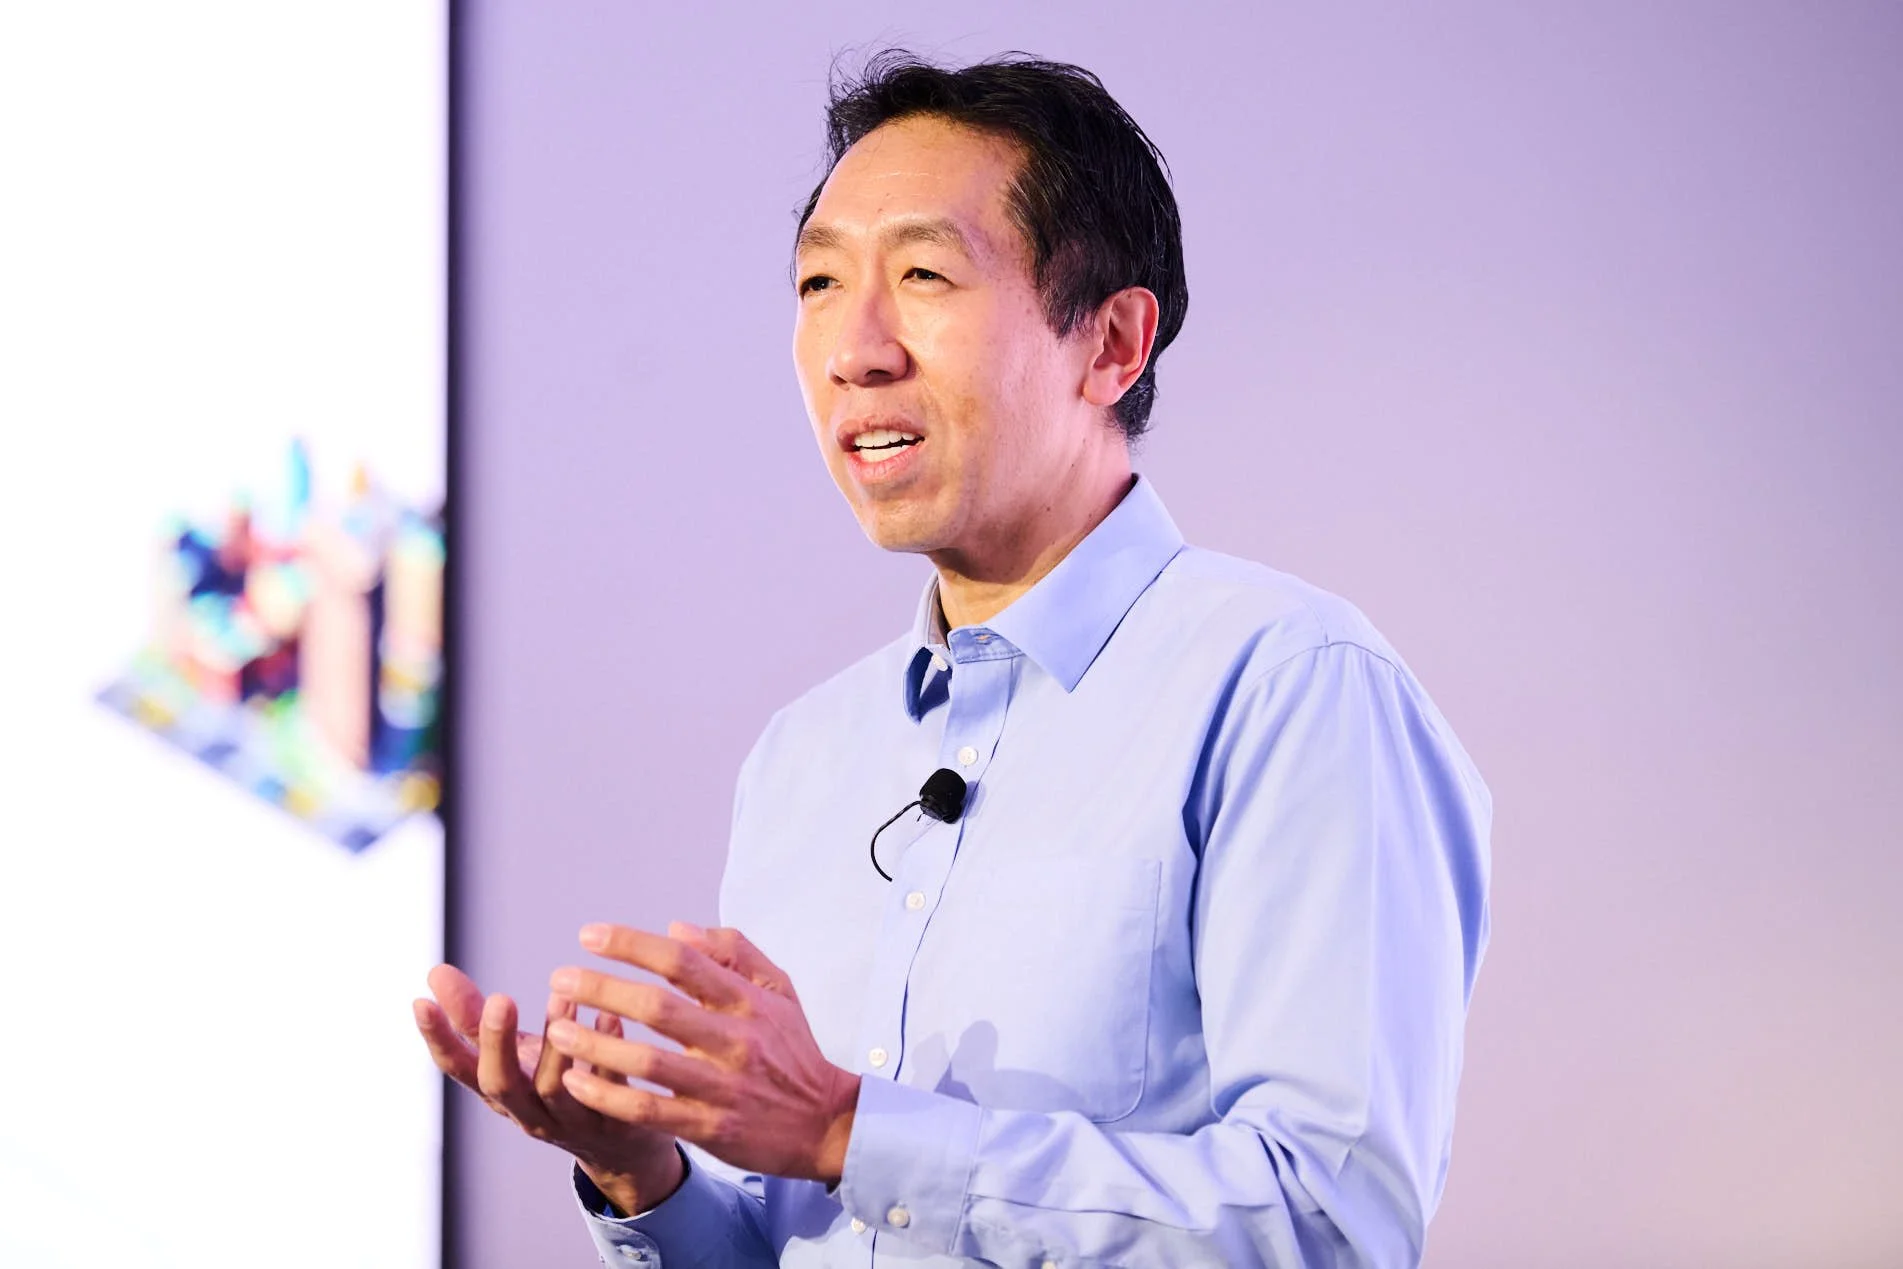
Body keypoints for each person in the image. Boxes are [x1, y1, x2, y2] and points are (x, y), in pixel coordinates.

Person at [415, 51, 1491, 1269]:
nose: (852, 349)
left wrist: (842, 1127)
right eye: (819, 281)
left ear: (1111, 346)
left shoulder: (1289, 688)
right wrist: (644, 1180)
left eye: (923, 273)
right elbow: (799, 1242)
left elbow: (1328, 1223)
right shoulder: (805, 757)